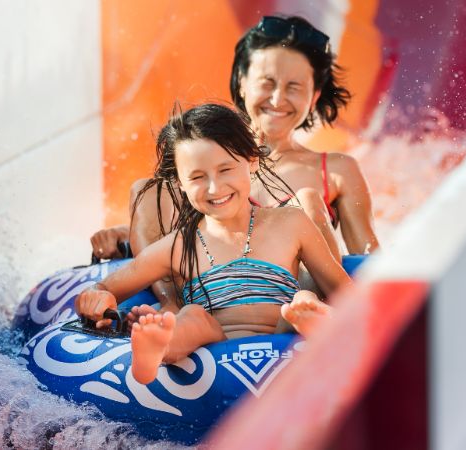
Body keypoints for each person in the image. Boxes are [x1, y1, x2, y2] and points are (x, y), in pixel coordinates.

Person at [91, 16, 379, 307]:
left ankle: (312, 311)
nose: (278, 99)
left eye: (294, 87)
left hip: (296, 295)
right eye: (267, 83)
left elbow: (367, 255)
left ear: (314, 95)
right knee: (149, 188)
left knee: (306, 200)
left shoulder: (337, 170)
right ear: (242, 83)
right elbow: (197, 228)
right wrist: (127, 236)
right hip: (208, 295)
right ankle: (171, 305)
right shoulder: (209, 160)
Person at [76, 104, 350, 385]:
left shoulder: (291, 223)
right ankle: (159, 348)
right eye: (197, 177)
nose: (213, 188)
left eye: (225, 169)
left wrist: (323, 308)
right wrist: (98, 297)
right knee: (193, 316)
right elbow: (107, 287)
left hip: (284, 333)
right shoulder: (178, 246)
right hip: (216, 346)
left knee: (304, 301)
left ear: (252, 159)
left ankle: (316, 325)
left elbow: (345, 292)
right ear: (179, 183)